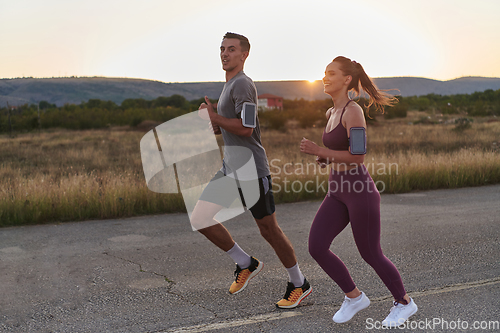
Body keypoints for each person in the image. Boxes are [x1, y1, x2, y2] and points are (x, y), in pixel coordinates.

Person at [190, 32, 312, 309]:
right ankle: (246, 263)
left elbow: (246, 129)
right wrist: (214, 123)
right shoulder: (229, 85)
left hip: (252, 171)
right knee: (201, 218)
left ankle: (299, 282)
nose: (224, 53)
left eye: (231, 49)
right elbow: (233, 129)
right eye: (222, 49)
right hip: (230, 169)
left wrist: (215, 118)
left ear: (244, 55)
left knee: (269, 230)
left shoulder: (243, 84)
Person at [300, 56, 418, 327]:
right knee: (317, 247)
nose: (325, 78)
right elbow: (340, 152)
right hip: (336, 191)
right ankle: (354, 297)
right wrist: (325, 157)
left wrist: (319, 150)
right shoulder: (331, 113)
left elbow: (358, 157)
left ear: (347, 79)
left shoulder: (353, 111)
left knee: (371, 253)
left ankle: (404, 303)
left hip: (359, 191)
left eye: (331, 73)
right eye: (324, 73)